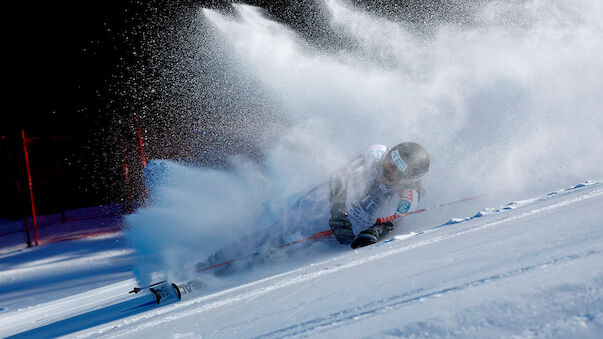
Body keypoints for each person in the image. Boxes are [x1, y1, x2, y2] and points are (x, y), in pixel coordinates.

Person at [201, 142, 429, 271]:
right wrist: (338, 212)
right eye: (388, 161)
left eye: (393, 173)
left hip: (337, 233)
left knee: (282, 250)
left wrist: (374, 232)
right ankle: (211, 264)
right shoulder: (375, 153)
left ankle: (227, 276)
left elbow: (393, 222)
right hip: (320, 205)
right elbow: (340, 176)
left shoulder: (410, 194)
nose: (385, 170)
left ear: (408, 179)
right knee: (273, 233)